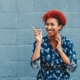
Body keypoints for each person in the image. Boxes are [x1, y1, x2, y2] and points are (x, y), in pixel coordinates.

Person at [30, 10, 77, 80]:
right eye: (47, 24)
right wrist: (39, 42)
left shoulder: (67, 43)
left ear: (59, 26)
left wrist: (60, 50)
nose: (48, 27)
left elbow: (72, 68)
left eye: (52, 24)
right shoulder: (40, 43)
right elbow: (35, 66)